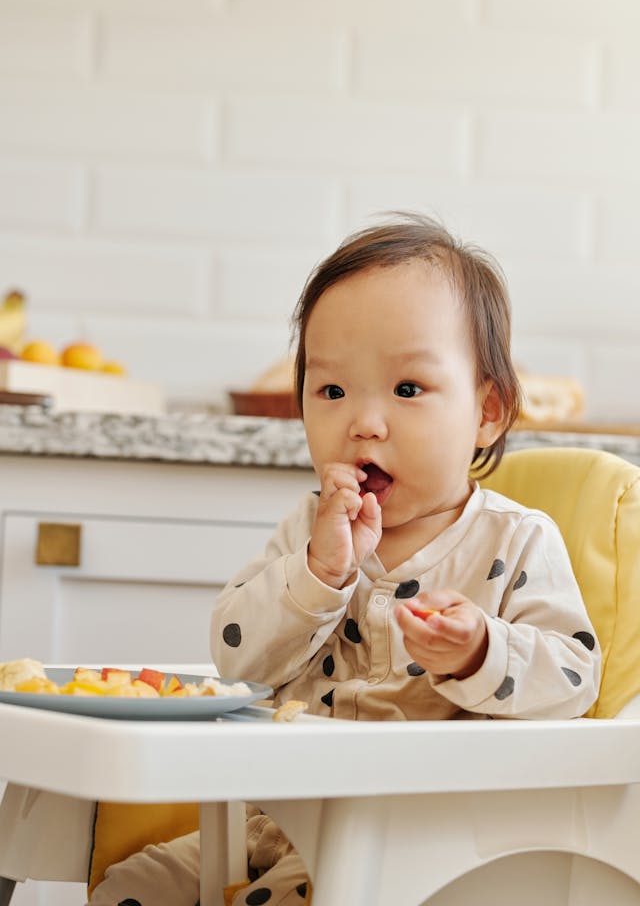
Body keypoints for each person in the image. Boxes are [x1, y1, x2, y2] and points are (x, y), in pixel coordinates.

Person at [90, 213, 600, 906]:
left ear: (487, 411)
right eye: (331, 391)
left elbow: (575, 679)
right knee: (130, 886)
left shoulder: (515, 542)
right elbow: (238, 657)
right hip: (271, 822)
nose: (364, 421)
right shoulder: (308, 529)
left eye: (408, 389)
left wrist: (482, 650)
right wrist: (318, 574)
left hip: (411, 845)